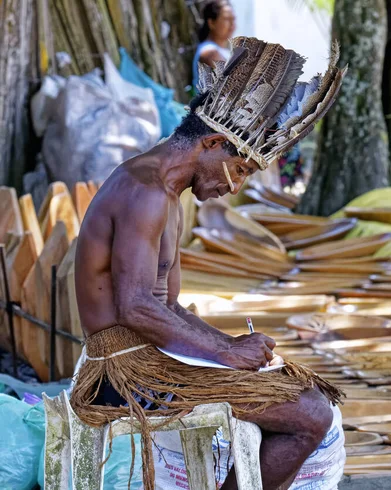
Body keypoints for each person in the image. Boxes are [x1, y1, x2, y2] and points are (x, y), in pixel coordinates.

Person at [70, 36, 345, 490]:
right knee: (309, 416)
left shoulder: (168, 193)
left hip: (146, 359)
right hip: (120, 373)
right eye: (238, 169)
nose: (235, 187)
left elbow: (169, 306)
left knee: (302, 394)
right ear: (214, 142)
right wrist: (225, 352)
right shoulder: (146, 191)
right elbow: (135, 307)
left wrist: (234, 346)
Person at [192, 0, 235, 91]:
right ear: (211, 23)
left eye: (233, 19)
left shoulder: (222, 51)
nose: (232, 24)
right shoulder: (209, 53)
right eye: (227, 19)